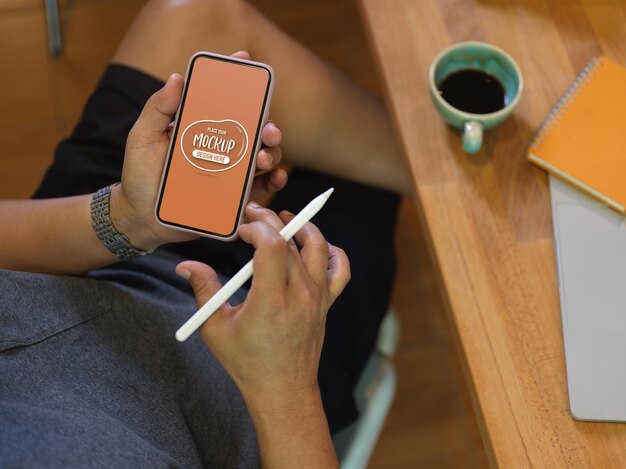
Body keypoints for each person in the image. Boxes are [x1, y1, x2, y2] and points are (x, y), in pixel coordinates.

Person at [0, 0, 407, 467]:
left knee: (197, 16)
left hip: (67, 268)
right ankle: (437, 178)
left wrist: (126, 219)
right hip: (254, 388)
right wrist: (286, 383)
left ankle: (430, 171)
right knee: (361, 193)